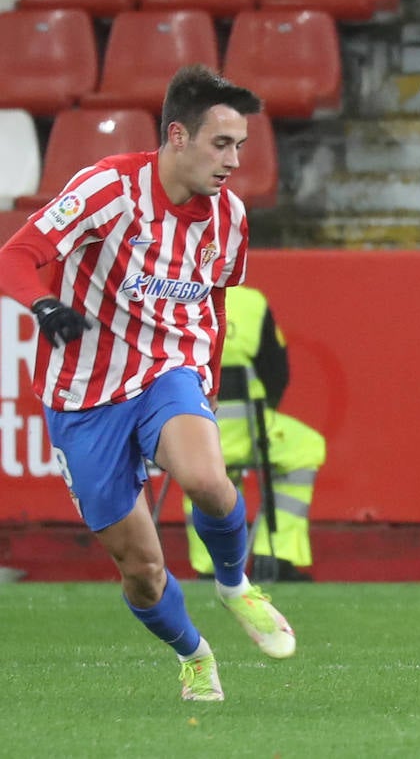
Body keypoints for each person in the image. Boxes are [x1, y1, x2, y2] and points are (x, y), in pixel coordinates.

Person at [0, 65, 295, 702]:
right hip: (83, 394)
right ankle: (195, 654)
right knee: (142, 571)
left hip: (168, 369)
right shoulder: (108, 189)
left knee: (207, 481)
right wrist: (44, 307)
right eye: (222, 144)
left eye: (241, 146)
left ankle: (235, 584)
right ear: (177, 136)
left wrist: (206, 375)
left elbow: (215, 300)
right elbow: (15, 256)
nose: (234, 161)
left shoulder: (230, 218)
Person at [183, 284, 327, 583]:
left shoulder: (173, 298)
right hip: (250, 434)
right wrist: (260, 419)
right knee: (307, 447)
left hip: (187, 435)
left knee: (199, 471)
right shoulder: (251, 303)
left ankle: (209, 564)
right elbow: (276, 371)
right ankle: (276, 554)